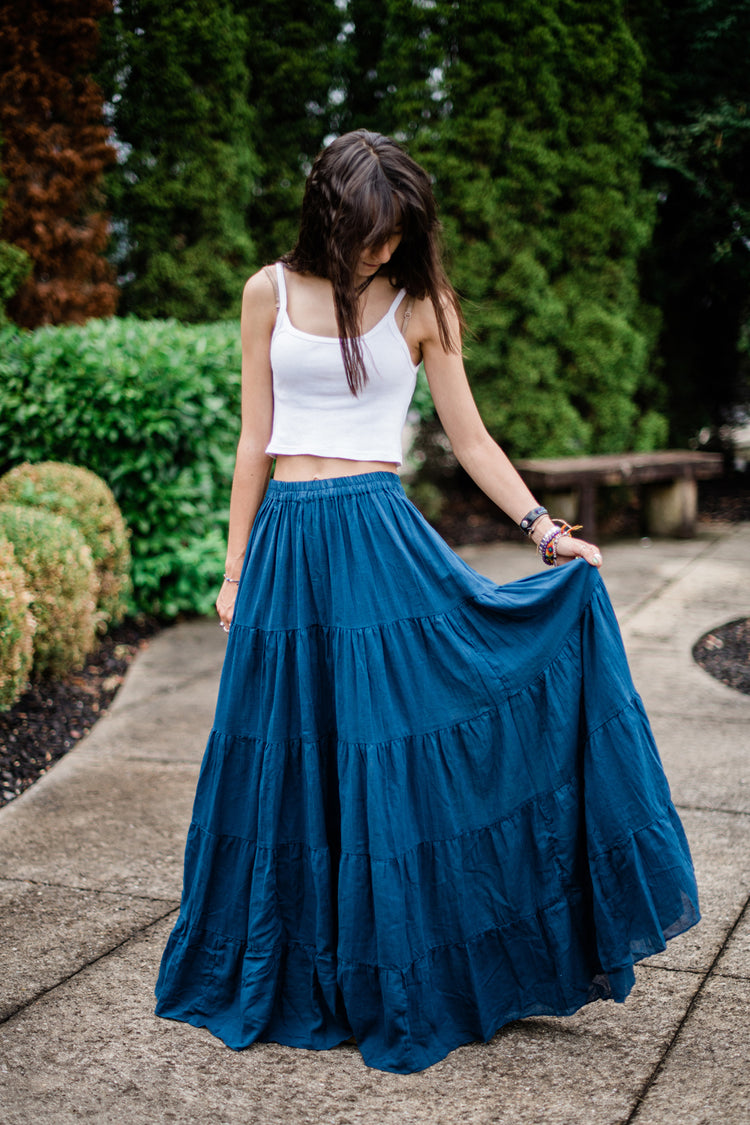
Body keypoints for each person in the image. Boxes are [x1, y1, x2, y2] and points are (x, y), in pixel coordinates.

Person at [155, 130, 699, 1074]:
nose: (383, 251)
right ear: (331, 215)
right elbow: (256, 437)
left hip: (376, 539)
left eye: (398, 235)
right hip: (286, 542)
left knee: (386, 753)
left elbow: (473, 439)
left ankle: (402, 966)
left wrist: (544, 530)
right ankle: (290, 966)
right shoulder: (267, 292)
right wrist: (235, 568)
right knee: (287, 759)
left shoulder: (422, 303)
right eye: (370, 234)